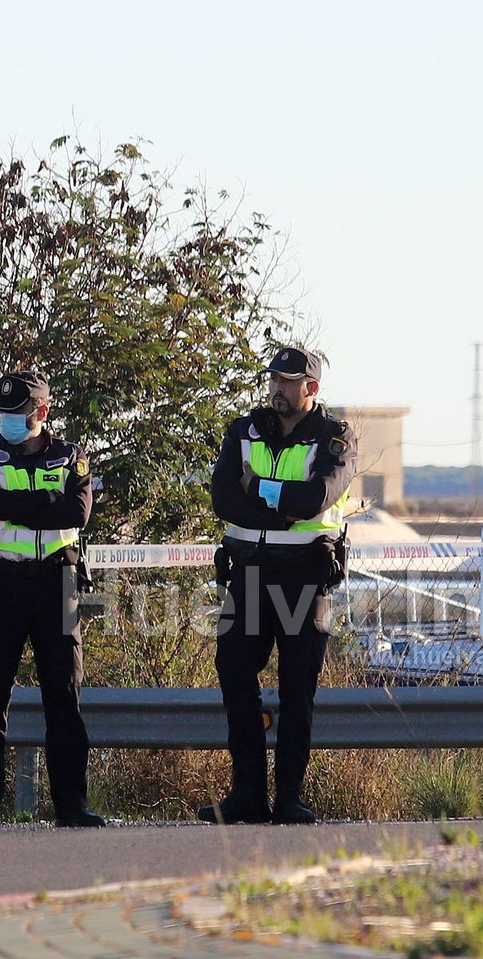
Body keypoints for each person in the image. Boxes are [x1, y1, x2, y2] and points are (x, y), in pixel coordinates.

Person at [200, 346, 357, 825]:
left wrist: (257, 488)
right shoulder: (244, 431)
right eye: (274, 380)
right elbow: (223, 498)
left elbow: (316, 498)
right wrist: (278, 511)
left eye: (288, 382)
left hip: (306, 575)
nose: (277, 389)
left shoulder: (335, 437)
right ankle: (247, 795)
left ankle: (289, 798)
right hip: (248, 571)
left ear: (312, 388)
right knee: (233, 672)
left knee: (296, 690)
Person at [0, 371, 105, 828]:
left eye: (16, 413)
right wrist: (44, 502)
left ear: (41, 412)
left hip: (57, 585)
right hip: (0, 583)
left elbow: (77, 512)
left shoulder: (70, 455)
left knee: (64, 697)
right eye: (1, 413)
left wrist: (16, 503)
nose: (6, 420)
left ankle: (71, 805)